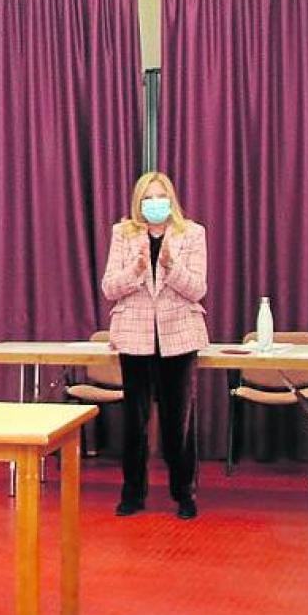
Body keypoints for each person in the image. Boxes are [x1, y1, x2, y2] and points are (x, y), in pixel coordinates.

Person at [100, 172, 209, 520]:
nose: (155, 203)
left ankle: (184, 493)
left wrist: (170, 266)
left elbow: (197, 289)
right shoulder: (124, 234)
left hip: (179, 336)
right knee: (135, 421)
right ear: (138, 203)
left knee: (178, 422)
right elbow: (109, 287)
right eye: (148, 198)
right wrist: (136, 268)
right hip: (135, 336)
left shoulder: (192, 233)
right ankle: (132, 493)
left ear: (172, 200)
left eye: (161, 196)